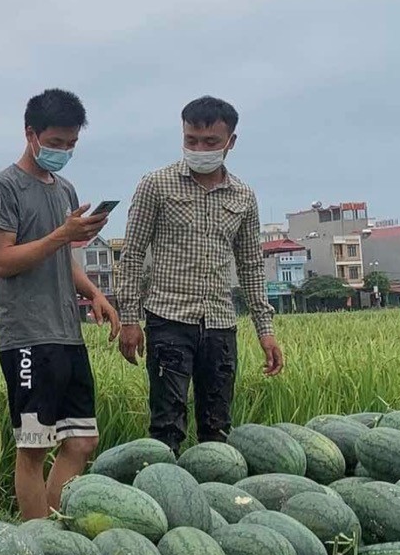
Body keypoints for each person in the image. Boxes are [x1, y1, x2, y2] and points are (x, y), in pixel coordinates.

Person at [0, 88, 121, 520]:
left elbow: (63, 258)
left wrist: (95, 294)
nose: (63, 151)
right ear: (31, 134)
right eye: (56, 143)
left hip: (66, 333)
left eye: (71, 144)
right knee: (34, 445)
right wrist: (63, 234)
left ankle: (55, 530)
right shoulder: (2, 189)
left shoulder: (64, 189)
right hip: (27, 337)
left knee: (80, 442)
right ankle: (35, 540)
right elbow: (3, 261)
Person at [115, 96, 284, 454]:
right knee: (167, 426)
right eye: (191, 140)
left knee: (218, 427)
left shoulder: (243, 196)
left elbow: (251, 265)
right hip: (169, 320)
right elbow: (130, 257)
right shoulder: (156, 185)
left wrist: (265, 331)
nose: (199, 149)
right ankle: (167, 502)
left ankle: (215, 500)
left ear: (230, 143)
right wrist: (129, 319)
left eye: (210, 142)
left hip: (221, 324)